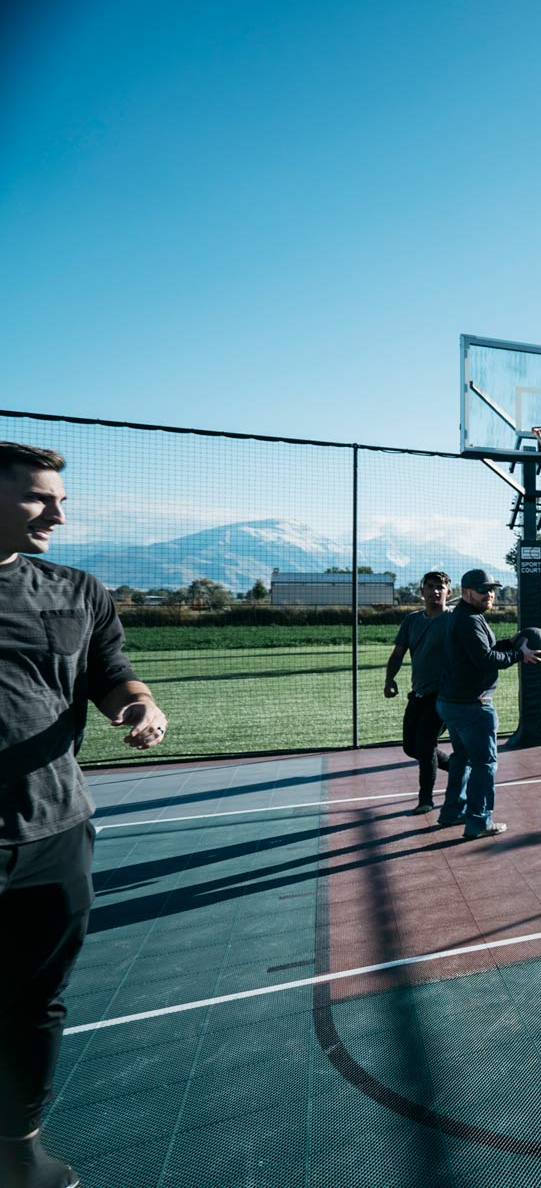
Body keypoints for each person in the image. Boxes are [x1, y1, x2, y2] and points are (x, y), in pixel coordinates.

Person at [0, 441, 169, 1188]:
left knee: (37, 1002)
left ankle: (17, 1149)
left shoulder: (76, 590)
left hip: (54, 833)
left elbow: (110, 675)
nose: (58, 514)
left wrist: (140, 703)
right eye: (40, 497)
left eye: (60, 499)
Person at [435, 568, 540, 840]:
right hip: (472, 706)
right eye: (483, 590)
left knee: (463, 758)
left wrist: (511, 642)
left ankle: (452, 812)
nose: (490, 594)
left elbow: (483, 649)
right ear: (467, 592)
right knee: (484, 763)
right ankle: (479, 821)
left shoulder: (464, 616)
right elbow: (485, 659)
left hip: (453, 703)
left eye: (492, 589)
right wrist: (519, 654)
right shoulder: (469, 620)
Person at [384, 570, 454, 815]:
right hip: (419, 694)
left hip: (445, 695)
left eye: (440, 587)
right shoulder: (412, 621)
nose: (435, 591)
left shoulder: (455, 620)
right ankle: (456, 766)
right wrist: (389, 679)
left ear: (449, 592)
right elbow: (398, 653)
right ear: (421, 591)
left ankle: (426, 799)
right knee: (410, 747)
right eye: (431, 586)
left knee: (425, 745)